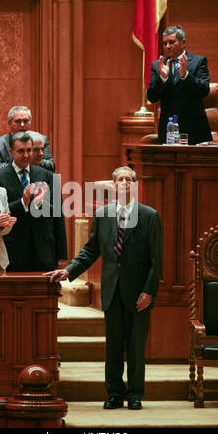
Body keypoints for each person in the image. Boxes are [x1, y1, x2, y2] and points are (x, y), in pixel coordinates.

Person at [45, 166, 162, 410]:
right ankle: (114, 394)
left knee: (136, 346)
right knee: (113, 345)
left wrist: (149, 291)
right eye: (120, 180)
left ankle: (135, 394)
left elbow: (156, 259)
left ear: (135, 185)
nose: (125, 183)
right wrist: (69, 270)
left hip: (138, 292)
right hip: (112, 290)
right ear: (114, 186)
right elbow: (91, 249)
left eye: (129, 180)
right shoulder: (103, 214)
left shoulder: (149, 215)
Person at [0, 131, 67, 272]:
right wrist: (22, 203)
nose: (26, 155)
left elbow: (58, 214)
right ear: (11, 152)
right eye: (21, 151)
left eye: (29, 150)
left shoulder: (49, 176)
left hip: (44, 251)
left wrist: (62, 254)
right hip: (13, 250)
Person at [147, 25, 212, 145]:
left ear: (183, 42)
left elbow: (204, 90)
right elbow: (151, 97)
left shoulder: (198, 61)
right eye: (164, 43)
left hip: (195, 130)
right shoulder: (158, 66)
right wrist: (162, 78)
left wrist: (186, 76)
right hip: (168, 131)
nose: (167, 46)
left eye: (171, 42)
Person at [0, 106, 55, 172]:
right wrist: (24, 162)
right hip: (10, 181)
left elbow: (51, 166)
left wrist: (31, 160)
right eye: (17, 121)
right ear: (9, 123)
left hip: (38, 180)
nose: (22, 125)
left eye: (26, 121)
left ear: (31, 122)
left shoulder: (42, 139)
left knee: (56, 180)